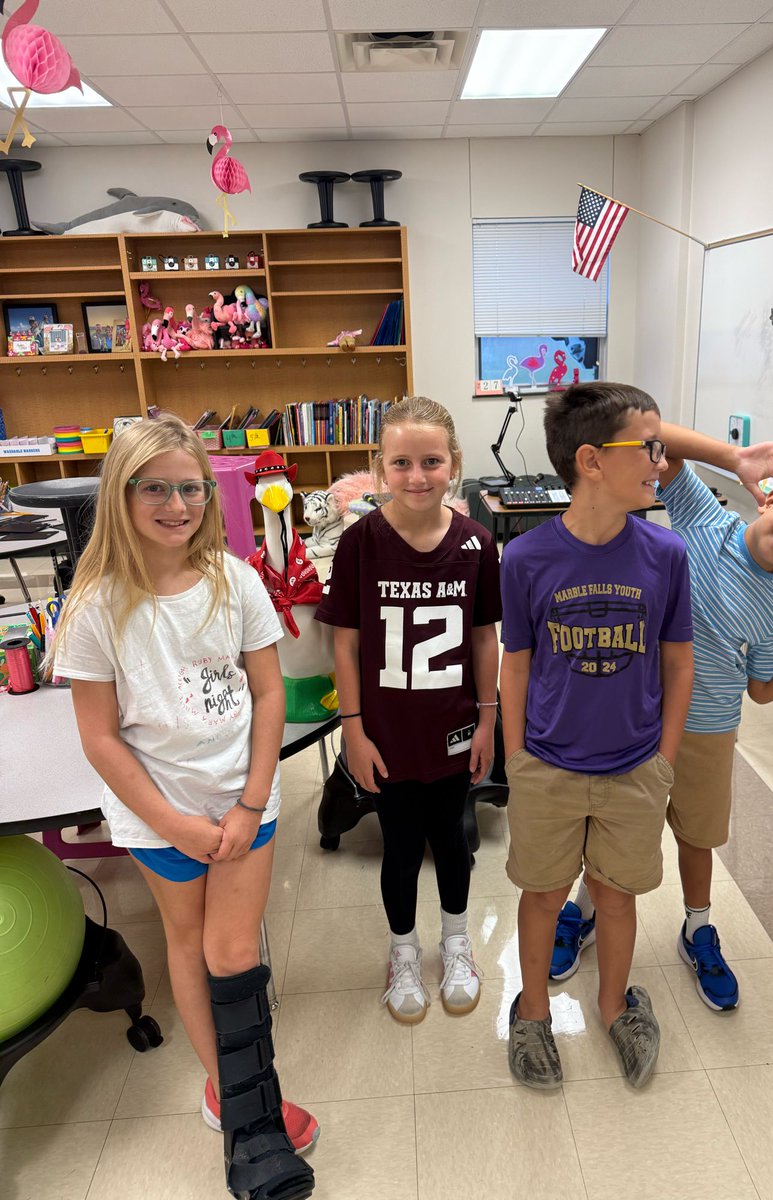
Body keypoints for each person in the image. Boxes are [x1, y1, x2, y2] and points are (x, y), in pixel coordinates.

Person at [49, 414, 317, 1200]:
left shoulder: (236, 580)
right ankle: (233, 1099)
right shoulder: (94, 605)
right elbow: (100, 737)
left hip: (243, 801)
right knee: (189, 942)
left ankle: (251, 1105)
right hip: (157, 816)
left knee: (232, 954)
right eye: (155, 489)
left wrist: (251, 803)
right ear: (121, 494)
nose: (177, 505)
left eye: (191, 488)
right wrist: (174, 824)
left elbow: (268, 694)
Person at [551, 426, 773, 1014]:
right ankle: (582, 912)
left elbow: (763, 688)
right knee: (614, 826)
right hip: (634, 715)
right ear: (769, 497)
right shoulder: (704, 518)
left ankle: (698, 928)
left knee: (698, 836)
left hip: (708, 732)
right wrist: (733, 456)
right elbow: (650, 436)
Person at [500, 381, 695, 1090]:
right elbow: (516, 665)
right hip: (547, 764)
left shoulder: (665, 553)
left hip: (635, 766)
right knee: (544, 894)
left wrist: (664, 760)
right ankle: (532, 1012)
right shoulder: (526, 558)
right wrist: (517, 758)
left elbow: (679, 662)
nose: (661, 461)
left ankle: (615, 1006)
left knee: (616, 896)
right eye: (649, 447)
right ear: (590, 460)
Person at [315, 396, 502, 1025]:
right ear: (379, 467)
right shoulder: (359, 544)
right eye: (401, 463)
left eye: (431, 461)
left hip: (452, 727)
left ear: (454, 464)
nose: (417, 476)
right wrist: (353, 730)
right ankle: (403, 951)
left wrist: (488, 721)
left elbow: (483, 638)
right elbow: (345, 643)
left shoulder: (477, 543)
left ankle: (456, 941)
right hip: (385, 733)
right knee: (398, 843)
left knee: (451, 837)